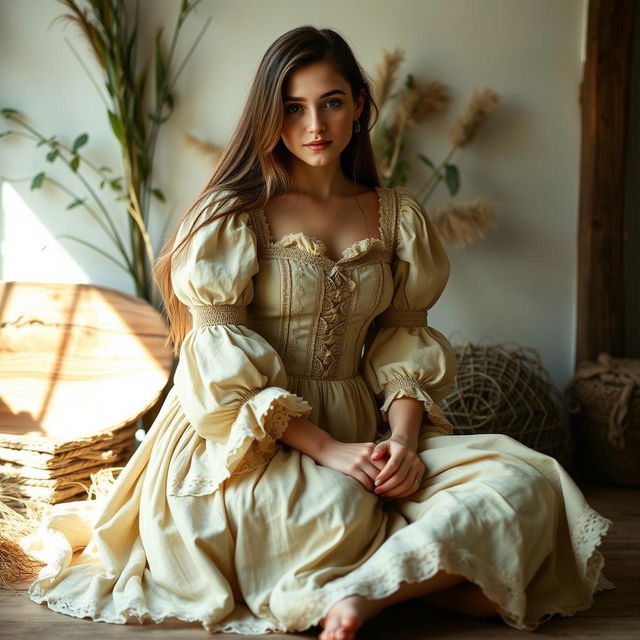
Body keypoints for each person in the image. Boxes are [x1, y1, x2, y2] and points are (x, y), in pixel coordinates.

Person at [19, 25, 613, 640]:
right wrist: (328, 451)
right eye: (293, 107)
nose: (315, 125)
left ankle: (364, 597)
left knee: (524, 480)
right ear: (269, 115)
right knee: (339, 510)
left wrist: (404, 444)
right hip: (242, 438)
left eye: (331, 101)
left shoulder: (397, 215)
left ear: (359, 104)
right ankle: (411, 588)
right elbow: (218, 367)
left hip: (365, 426)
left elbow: (404, 342)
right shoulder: (231, 216)